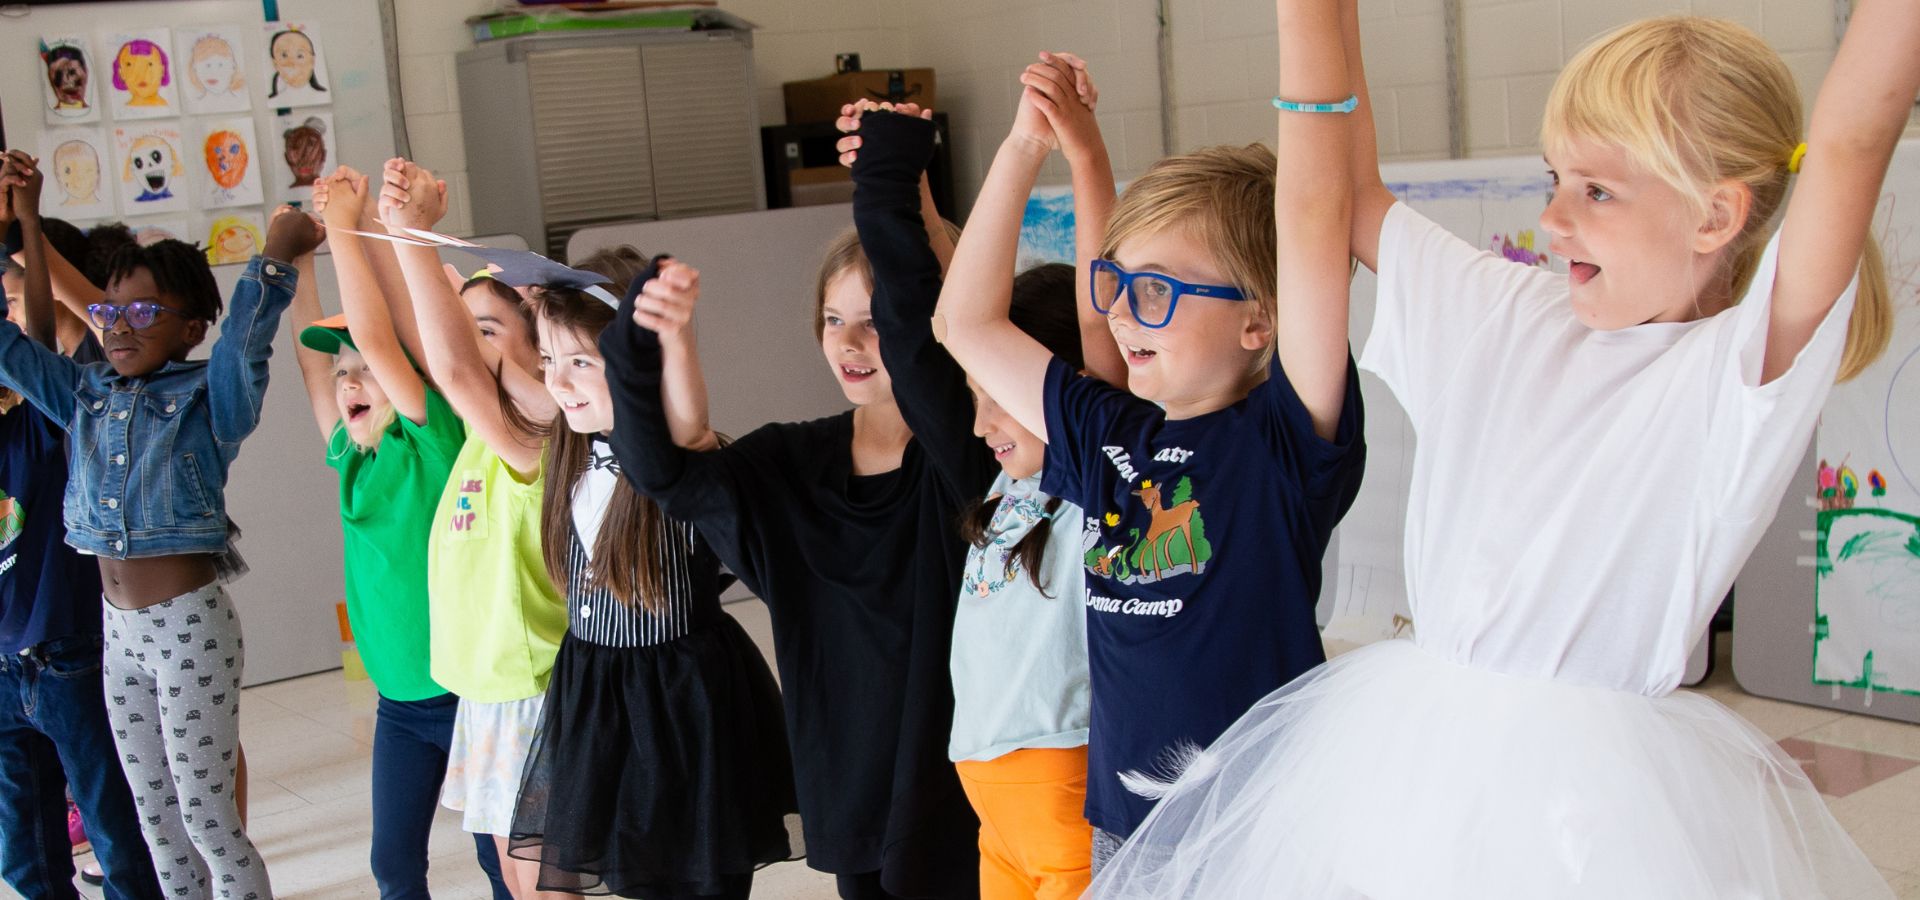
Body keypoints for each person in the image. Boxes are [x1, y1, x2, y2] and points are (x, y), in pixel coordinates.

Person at [1087, 4, 1911, 897]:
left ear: (1716, 215)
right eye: (1556, 178)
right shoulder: (1503, 313)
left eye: (1596, 191)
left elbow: (1852, 136)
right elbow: (1350, 188)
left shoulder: (1742, 373)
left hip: (1597, 807)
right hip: (1408, 761)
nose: (1553, 219)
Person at [931, 40, 1366, 871]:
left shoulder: (1284, 439)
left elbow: (1311, 223)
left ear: (1261, 320)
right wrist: (1028, 146)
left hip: (1260, 826)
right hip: (1124, 828)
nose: (1123, 315)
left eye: (1158, 290)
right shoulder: (1109, 436)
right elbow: (966, 327)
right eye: (1117, 284)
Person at [0, 146, 322, 894]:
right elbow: (15, 349)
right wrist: (13, 224)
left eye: (143, 312)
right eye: (109, 312)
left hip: (187, 625)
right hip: (120, 632)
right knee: (155, 818)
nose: (117, 327)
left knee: (207, 814)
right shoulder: (84, 397)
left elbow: (245, 339)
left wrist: (275, 255)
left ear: (189, 328)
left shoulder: (209, 399)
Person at [508, 253, 797, 898]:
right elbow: (463, 372)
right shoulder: (571, 447)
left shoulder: (683, 457)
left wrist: (673, 332)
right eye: (549, 361)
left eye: (581, 361)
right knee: (615, 878)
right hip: (598, 691)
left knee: (698, 880)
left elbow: (688, 421)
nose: (559, 381)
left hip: (681, 698)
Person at [284, 167, 514, 900]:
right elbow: (312, 365)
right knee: (392, 866)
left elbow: (382, 342)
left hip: (469, 697)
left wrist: (352, 226)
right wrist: (300, 261)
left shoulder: (435, 438)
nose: (349, 381)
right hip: (402, 710)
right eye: (345, 373)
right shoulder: (353, 459)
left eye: (365, 373)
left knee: (500, 861)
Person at [0, 151, 163, 900]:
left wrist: (26, 223)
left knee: (117, 835)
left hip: (66, 652)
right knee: (28, 859)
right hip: (5, 669)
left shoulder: (47, 417)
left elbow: (31, 336)